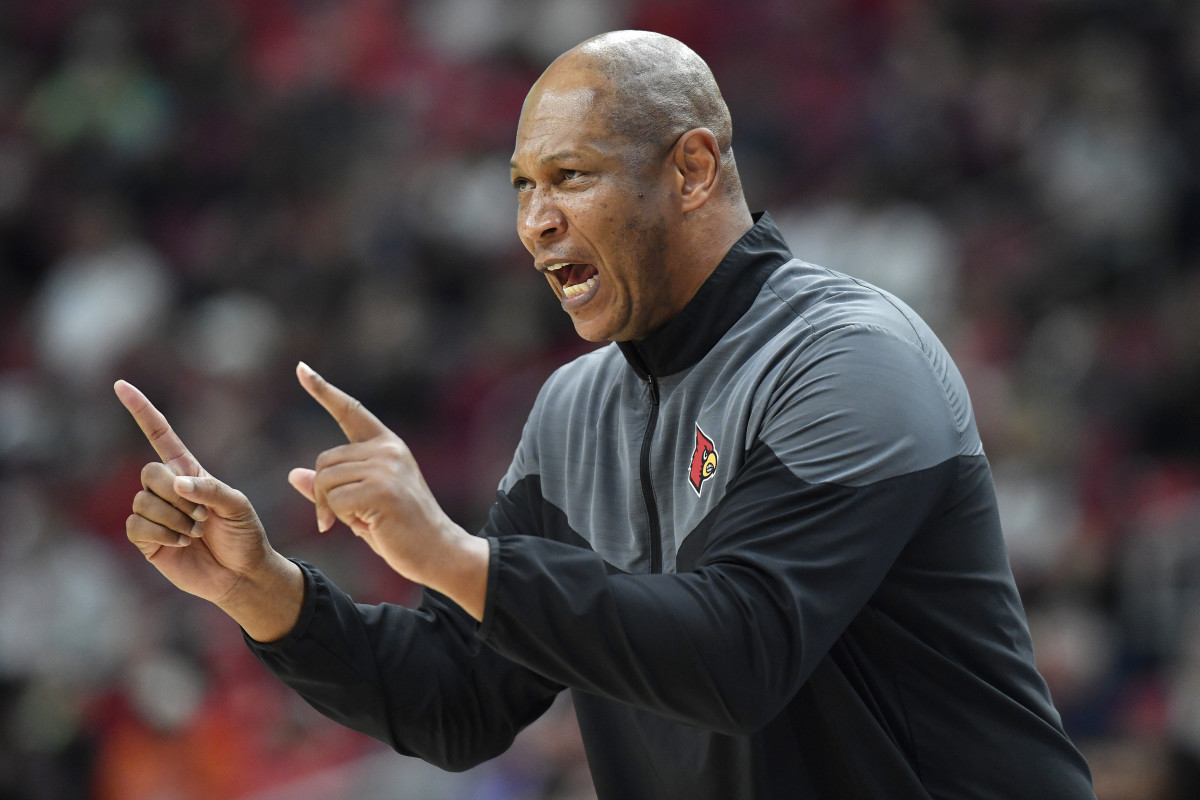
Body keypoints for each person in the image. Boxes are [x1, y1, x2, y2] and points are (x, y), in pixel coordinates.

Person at [117, 30, 1096, 799]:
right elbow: (464, 696)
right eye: (522, 187)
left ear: (693, 169)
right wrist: (263, 592)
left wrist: (455, 556)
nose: (535, 222)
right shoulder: (572, 410)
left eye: (570, 177)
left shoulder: (849, 359)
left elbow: (741, 648)